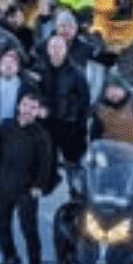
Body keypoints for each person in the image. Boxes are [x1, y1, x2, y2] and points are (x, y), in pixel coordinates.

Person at [0, 47, 39, 242]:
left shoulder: (29, 86)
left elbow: (39, 106)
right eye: (5, 62)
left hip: (17, 138)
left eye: (13, 63)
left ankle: (9, 220)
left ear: (18, 67)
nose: (8, 66)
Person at [0, 91, 54, 264]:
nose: (28, 110)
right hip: (4, 183)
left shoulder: (41, 135)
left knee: (29, 230)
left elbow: (46, 164)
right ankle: (10, 256)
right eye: (26, 105)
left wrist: (38, 186)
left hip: (26, 189)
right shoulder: (6, 125)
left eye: (33, 108)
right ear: (19, 106)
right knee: (2, 223)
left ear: (38, 112)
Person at [35, 35, 91, 169]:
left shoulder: (77, 73)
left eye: (60, 47)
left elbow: (84, 102)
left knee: (73, 160)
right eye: (53, 47)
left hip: (68, 125)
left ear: (66, 50)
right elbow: (32, 95)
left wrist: (80, 127)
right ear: (48, 49)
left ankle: (75, 184)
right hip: (45, 124)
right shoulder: (38, 70)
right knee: (46, 160)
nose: (56, 50)